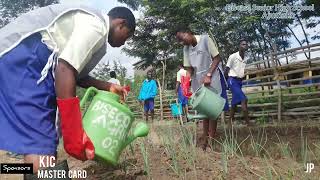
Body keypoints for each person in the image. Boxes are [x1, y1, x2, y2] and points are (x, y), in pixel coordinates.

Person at [0, 4, 135, 176]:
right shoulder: (97, 25)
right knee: (42, 147)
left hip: (24, 62)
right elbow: (64, 70)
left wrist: (108, 86)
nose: (124, 42)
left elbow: (74, 74)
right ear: (121, 24)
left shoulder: (90, 26)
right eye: (127, 36)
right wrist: (74, 135)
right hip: (26, 60)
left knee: (41, 144)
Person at [175, 26, 229, 150]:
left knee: (212, 111)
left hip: (211, 78)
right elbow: (189, 68)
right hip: (198, 81)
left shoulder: (205, 39)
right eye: (179, 41)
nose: (182, 42)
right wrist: (185, 84)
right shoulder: (186, 49)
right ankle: (204, 138)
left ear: (188, 32)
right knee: (203, 110)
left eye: (182, 38)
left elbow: (217, 58)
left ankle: (211, 140)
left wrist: (209, 74)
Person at [225, 39, 250, 127]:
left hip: (239, 82)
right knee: (244, 99)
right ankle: (248, 123)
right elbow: (226, 70)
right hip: (232, 80)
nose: (245, 46)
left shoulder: (246, 58)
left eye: (246, 44)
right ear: (239, 46)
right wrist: (226, 83)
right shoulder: (232, 56)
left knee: (234, 103)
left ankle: (229, 123)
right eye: (243, 44)